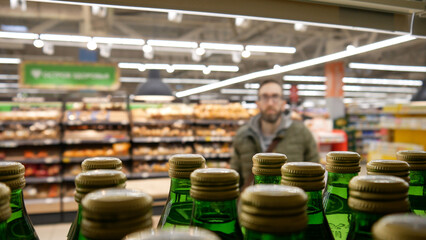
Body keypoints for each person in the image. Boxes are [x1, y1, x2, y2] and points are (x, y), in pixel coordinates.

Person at [230, 79, 320, 187]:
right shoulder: (242, 135)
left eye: (275, 96)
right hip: (252, 202)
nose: (270, 103)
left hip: (291, 202)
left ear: (283, 104)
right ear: (258, 104)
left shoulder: (302, 133)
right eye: (265, 97)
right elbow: (235, 179)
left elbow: (314, 175)